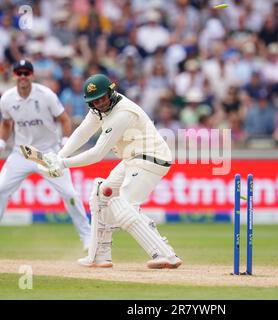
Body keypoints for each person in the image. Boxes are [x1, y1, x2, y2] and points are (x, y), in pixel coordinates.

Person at [38, 74, 182, 269]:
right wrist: (57, 156)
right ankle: (99, 256)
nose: (100, 103)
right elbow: (82, 132)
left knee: (124, 204)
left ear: (111, 92)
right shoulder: (98, 109)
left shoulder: (123, 113)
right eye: (94, 101)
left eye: (102, 98)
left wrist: (63, 164)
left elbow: (97, 154)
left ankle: (165, 255)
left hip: (151, 158)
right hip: (132, 158)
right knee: (102, 193)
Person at [0, 60, 91, 251]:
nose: (23, 76)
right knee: (0, 190)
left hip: (48, 152)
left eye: (26, 73)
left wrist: (64, 144)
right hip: (22, 152)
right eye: (19, 73)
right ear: (14, 75)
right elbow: (6, 123)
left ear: (32, 75)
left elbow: (64, 119)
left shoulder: (45, 95)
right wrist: (0, 144)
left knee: (69, 194)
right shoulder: (7, 99)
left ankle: (88, 238)